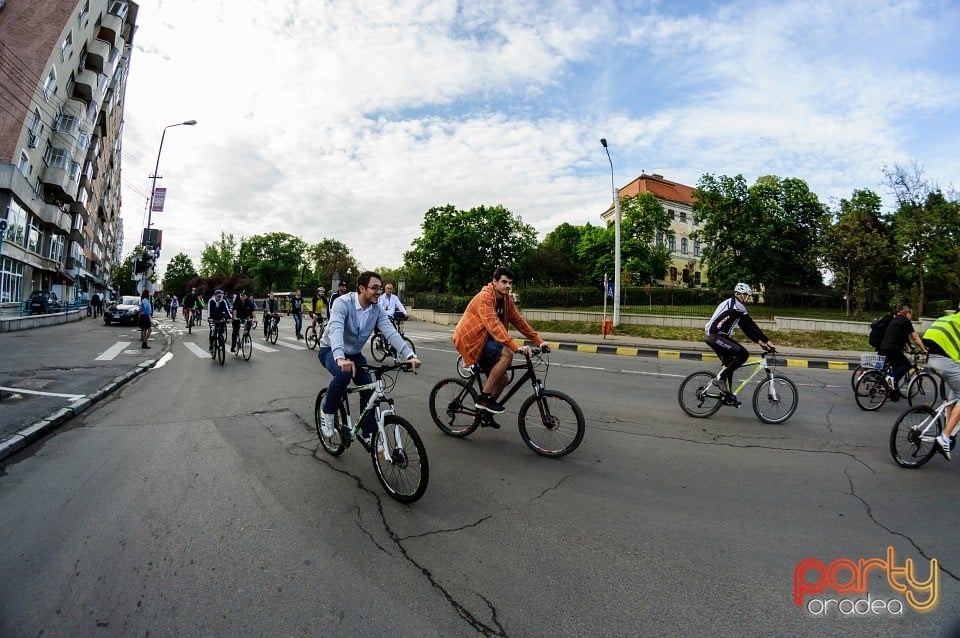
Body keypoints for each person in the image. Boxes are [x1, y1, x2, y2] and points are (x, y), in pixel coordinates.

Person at [317, 271, 422, 442]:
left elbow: (390, 332)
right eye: (374, 288)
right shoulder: (342, 303)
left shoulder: (376, 310)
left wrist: (409, 354)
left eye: (380, 288)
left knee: (370, 387)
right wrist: (340, 358)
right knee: (343, 374)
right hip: (330, 349)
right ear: (362, 288)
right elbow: (336, 330)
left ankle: (368, 433)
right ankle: (327, 412)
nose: (379, 292)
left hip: (354, 354)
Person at [452, 266, 549, 421]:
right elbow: (493, 325)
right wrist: (516, 347)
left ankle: (485, 414)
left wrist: (539, 341)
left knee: (503, 379)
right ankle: (483, 399)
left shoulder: (506, 300)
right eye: (504, 282)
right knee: (507, 354)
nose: (508, 286)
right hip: (470, 339)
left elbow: (519, 321)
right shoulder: (485, 297)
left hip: (485, 339)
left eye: (510, 283)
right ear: (494, 282)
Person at [704, 283, 774, 405]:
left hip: (716, 336)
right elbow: (751, 324)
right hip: (715, 335)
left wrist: (759, 341)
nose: (747, 298)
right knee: (743, 354)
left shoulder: (734, 306)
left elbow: (745, 327)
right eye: (746, 295)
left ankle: (727, 396)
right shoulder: (737, 305)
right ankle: (719, 379)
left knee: (730, 363)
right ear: (740, 294)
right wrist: (767, 340)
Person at [921, 311, 960, 459]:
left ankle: (947, 425)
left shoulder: (951, 319)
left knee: (956, 393)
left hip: (932, 359)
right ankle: (945, 436)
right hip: (945, 361)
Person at [879, 304, 927, 400]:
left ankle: (893, 391)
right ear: (907, 312)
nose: (911, 316)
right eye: (911, 314)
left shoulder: (895, 319)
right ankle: (890, 379)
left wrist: (908, 348)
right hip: (893, 348)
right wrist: (923, 349)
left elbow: (902, 337)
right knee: (907, 366)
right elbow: (915, 337)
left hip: (885, 347)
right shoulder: (905, 321)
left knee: (897, 367)